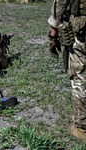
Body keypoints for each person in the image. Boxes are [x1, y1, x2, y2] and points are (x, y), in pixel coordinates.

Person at [48, 0, 86, 141]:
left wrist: (53, 35)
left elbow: (60, 5)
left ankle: (82, 129)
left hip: (82, 33)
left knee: (80, 80)